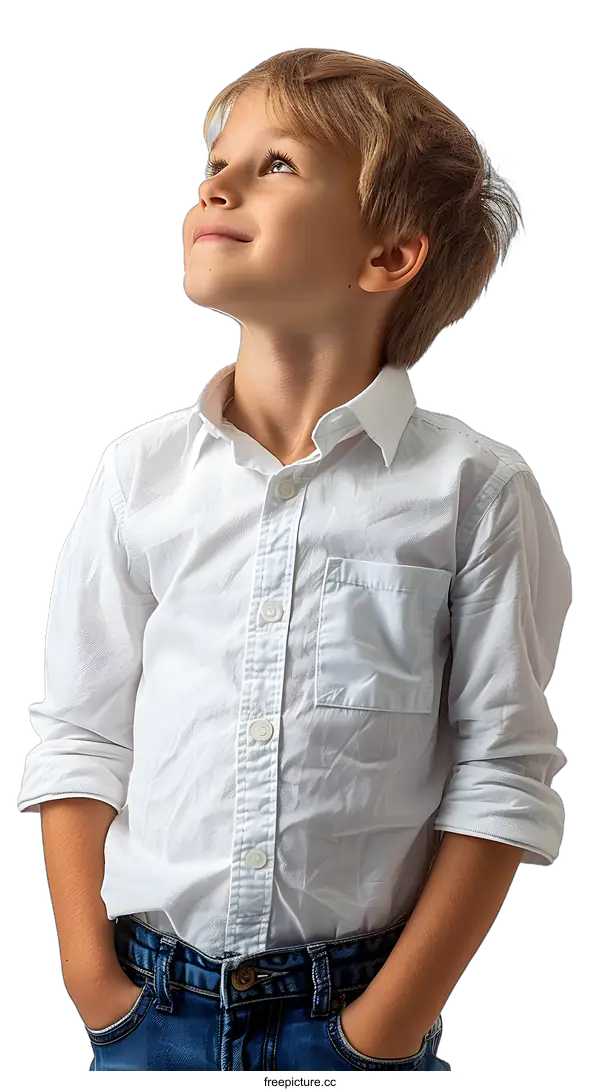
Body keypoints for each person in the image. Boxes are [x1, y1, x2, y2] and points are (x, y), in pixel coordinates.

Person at [16, 49, 571, 1072]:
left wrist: (382, 1026)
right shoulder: (140, 474)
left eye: (275, 165)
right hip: (147, 1005)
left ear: (387, 258)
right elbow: (83, 734)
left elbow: (501, 776)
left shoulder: (475, 491)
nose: (214, 185)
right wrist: (97, 985)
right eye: (214, 164)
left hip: (355, 1013)